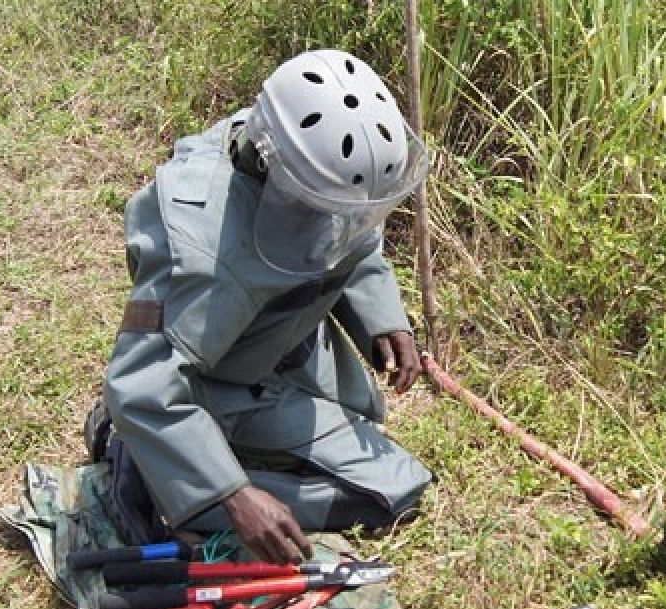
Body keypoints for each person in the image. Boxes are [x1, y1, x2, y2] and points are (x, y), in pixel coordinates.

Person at [91, 50, 433, 565]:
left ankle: (187, 470)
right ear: (283, 176)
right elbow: (140, 383)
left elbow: (353, 239)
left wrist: (383, 319)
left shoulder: (295, 154)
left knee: (369, 429)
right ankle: (166, 476)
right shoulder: (197, 248)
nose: (337, 218)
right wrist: (233, 496)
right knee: (388, 491)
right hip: (214, 386)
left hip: (284, 349)